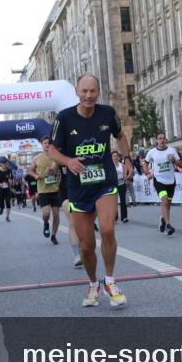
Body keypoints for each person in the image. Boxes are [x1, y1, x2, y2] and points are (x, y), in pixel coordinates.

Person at [47, 74, 133, 308]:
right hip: (78, 187)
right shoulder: (64, 118)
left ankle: (110, 281)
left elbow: (120, 136)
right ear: (76, 91)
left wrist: (127, 159)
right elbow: (52, 150)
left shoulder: (107, 113)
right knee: (86, 245)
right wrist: (68, 161)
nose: (88, 96)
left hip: (105, 181)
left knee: (107, 229)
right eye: (84, 91)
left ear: (98, 92)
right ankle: (93, 283)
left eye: (92, 91)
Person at [29, 136, 63, 244]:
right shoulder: (37, 158)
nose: (47, 144)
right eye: (45, 143)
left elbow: (56, 168)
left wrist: (53, 169)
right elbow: (30, 170)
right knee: (46, 213)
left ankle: (53, 236)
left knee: (56, 214)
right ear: (42, 145)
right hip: (43, 190)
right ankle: (46, 223)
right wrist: (35, 176)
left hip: (55, 189)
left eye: (48, 143)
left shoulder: (56, 156)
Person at [146, 133, 179, 235]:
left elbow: (180, 163)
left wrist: (173, 160)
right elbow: (145, 163)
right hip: (159, 181)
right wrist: (147, 173)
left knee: (168, 204)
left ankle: (163, 219)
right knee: (164, 201)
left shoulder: (172, 151)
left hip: (171, 181)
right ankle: (168, 226)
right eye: (160, 138)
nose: (162, 140)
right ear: (156, 140)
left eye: (164, 138)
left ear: (166, 140)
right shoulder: (152, 152)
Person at [111, 150, 129, 223]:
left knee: (122, 200)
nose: (115, 157)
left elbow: (125, 174)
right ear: (111, 158)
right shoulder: (110, 166)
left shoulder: (122, 165)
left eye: (116, 156)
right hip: (113, 184)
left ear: (118, 157)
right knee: (113, 201)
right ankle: (115, 217)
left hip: (121, 184)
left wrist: (125, 176)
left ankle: (124, 217)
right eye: (113, 156)